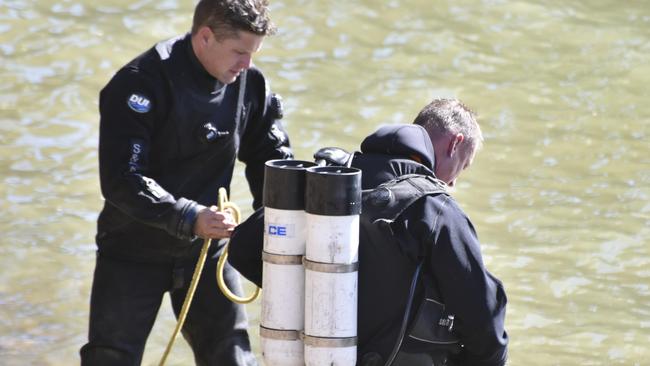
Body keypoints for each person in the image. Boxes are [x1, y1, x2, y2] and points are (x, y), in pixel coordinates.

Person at [80, 0, 292, 365]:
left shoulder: (249, 84)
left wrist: (275, 228)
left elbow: (270, 159)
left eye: (253, 54)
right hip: (132, 252)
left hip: (205, 254)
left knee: (232, 355)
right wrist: (189, 216)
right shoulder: (139, 83)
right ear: (205, 37)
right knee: (111, 358)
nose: (247, 65)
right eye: (239, 52)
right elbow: (121, 179)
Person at [228, 98, 508, 365]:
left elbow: (241, 249)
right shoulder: (436, 209)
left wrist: (310, 296)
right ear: (455, 144)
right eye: (463, 165)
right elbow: (482, 318)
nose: (454, 181)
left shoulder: (326, 182)